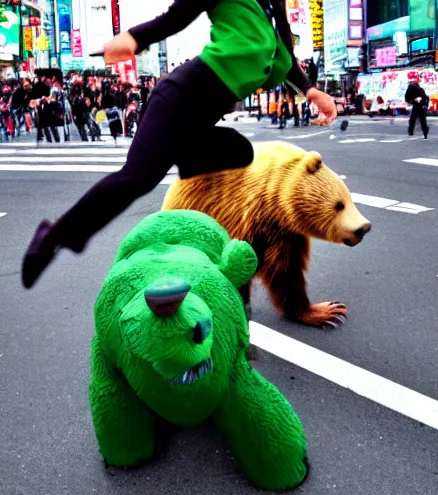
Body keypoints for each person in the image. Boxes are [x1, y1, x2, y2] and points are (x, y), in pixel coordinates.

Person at [22, 0, 338, 288]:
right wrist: (134, 39)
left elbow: (286, 55)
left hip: (200, 119)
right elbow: (180, 14)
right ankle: (53, 237)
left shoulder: (273, 9)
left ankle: (199, 245)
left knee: (238, 152)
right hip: (178, 98)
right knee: (138, 178)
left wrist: (311, 92)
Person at [405, 73, 429, 138]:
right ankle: (425, 133)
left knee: (413, 119)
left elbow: (407, 98)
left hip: (416, 105)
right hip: (419, 105)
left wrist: (413, 100)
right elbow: (425, 97)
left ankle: (411, 132)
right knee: (422, 120)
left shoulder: (411, 87)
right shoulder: (418, 88)